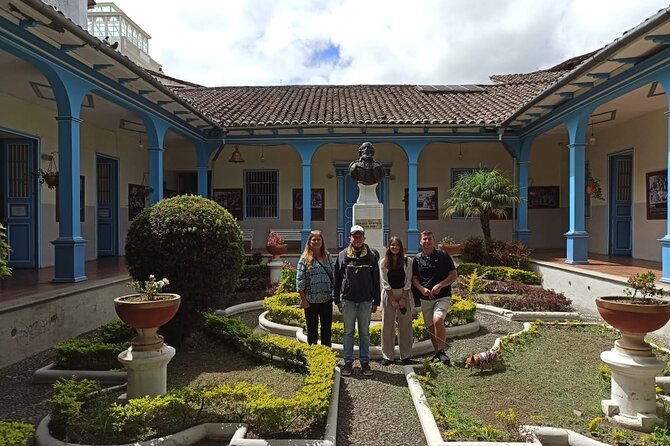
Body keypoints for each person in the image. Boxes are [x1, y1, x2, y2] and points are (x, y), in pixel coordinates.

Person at [333, 224, 380, 377]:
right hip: (348, 301)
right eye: (355, 236)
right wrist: (337, 300)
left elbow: (376, 279)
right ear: (350, 238)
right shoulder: (342, 255)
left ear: (364, 237)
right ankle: (348, 362)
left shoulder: (372, 255)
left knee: (364, 333)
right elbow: (337, 279)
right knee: (348, 332)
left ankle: (364, 362)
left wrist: (376, 302)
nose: (357, 238)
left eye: (360, 236)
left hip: (366, 301)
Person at [411, 230, 458, 365]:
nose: (427, 241)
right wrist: (421, 289)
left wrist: (440, 285)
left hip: (442, 296)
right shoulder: (417, 258)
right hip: (425, 298)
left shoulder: (443, 256)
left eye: (429, 239)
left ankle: (442, 351)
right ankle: (437, 352)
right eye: (424, 239)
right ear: (420, 242)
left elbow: (453, 275)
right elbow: (414, 278)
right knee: (430, 326)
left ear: (434, 240)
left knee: (437, 320)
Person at [296, 230, 335, 347]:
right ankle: (313, 355)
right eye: (314, 239)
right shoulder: (304, 258)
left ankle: (326, 354)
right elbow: (299, 280)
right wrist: (303, 299)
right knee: (312, 329)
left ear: (322, 241)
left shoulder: (327, 256)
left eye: (319, 239)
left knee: (326, 329)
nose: (316, 241)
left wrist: (334, 294)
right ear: (309, 242)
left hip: (327, 300)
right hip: (310, 301)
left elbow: (333, 275)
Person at [379, 236, 414, 366]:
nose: (395, 247)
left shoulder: (407, 261)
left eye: (397, 245)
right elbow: (384, 282)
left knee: (405, 325)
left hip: (404, 293)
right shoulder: (383, 262)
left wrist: (403, 298)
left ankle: (406, 355)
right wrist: (393, 300)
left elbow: (408, 280)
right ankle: (387, 355)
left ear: (400, 247)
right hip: (389, 295)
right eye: (392, 245)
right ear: (389, 247)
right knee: (387, 325)